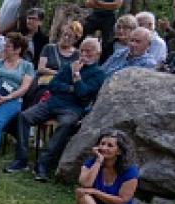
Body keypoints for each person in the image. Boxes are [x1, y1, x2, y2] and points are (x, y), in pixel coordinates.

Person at [12, 37, 106, 179]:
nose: (84, 54)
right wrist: (71, 88)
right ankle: (21, 159)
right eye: (82, 50)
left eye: (89, 51)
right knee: (24, 116)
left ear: (98, 54)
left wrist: (76, 75)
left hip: (73, 109)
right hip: (52, 103)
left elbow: (83, 94)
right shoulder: (69, 65)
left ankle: (43, 163)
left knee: (66, 124)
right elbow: (53, 85)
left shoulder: (99, 74)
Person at [42, 131, 138, 204]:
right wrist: (98, 161)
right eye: (102, 144)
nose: (103, 147)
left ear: (119, 151)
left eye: (110, 145)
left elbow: (122, 201)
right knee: (82, 193)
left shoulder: (129, 171)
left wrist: (95, 192)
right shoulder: (91, 163)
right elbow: (85, 184)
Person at [0, 33, 36, 169]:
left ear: (18, 50)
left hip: (12, 99)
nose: (5, 48)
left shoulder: (26, 66)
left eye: (8, 46)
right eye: (5, 45)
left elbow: (24, 88)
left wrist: (6, 98)